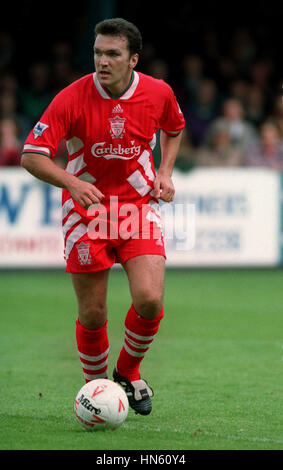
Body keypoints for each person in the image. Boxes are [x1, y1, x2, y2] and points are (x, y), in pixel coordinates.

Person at [21, 18, 185, 416]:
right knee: (93, 314)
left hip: (137, 207)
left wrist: (164, 172)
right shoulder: (72, 97)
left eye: (112, 54)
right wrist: (72, 183)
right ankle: (97, 391)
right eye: (98, 53)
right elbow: (31, 155)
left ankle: (127, 373)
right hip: (86, 214)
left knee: (149, 299)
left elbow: (174, 128)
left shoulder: (158, 92)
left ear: (133, 60)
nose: (102, 61)